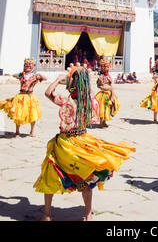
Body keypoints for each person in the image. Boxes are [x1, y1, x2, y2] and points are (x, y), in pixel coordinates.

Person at [34, 66, 135, 221]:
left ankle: (47, 215)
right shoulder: (91, 102)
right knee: (86, 179)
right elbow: (89, 91)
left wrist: (57, 79)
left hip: (66, 143)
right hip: (83, 140)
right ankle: (88, 215)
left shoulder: (68, 102)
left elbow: (48, 93)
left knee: (51, 172)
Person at [0, 58, 47, 137]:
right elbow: (14, 75)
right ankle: (17, 132)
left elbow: (45, 78)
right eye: (26, 66)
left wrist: (40, 74)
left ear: (33, 67)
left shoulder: (35, 76)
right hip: (21, 96)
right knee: (18, 115)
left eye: (30, 66)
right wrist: (21, 75)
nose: (28, 68)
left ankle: (32, 131)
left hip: (30, 97)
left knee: (33, 115)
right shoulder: (22, 75)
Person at [95, 58, 120, 128]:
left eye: (108, 67)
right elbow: (98, 85)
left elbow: (111, 85)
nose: (107, 68)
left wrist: (113, 93)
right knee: (102, 108)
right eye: (105, 67)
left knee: (108, 108)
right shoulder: (101, 77)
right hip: (103, 94)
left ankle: (104, 121)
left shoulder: (109, 76)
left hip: (109, 94)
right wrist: (105, 88)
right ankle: (100, 123)